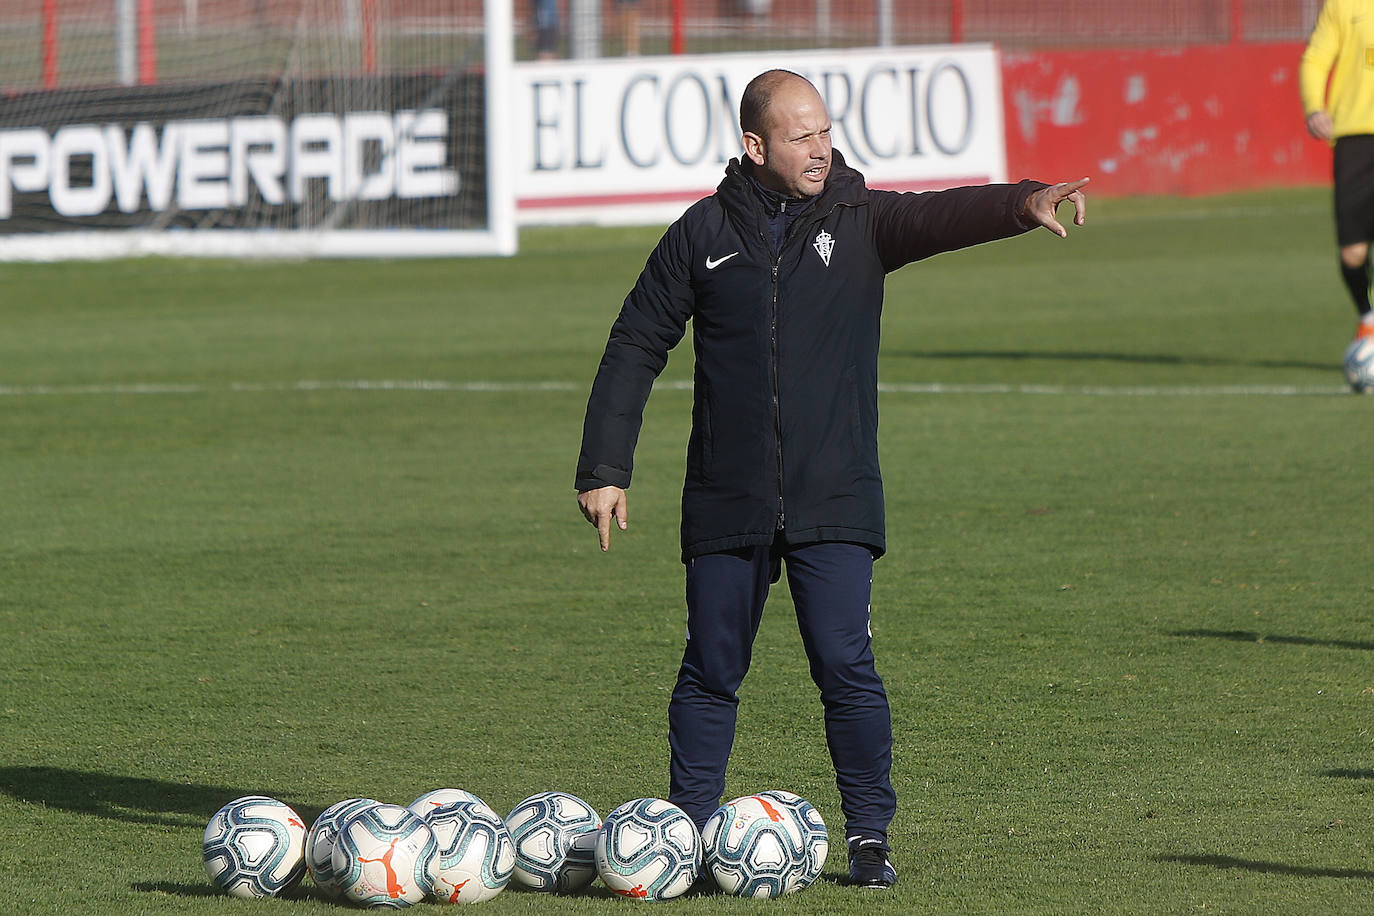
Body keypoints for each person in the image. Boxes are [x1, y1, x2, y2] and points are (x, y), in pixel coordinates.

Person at [575, 69, 1087, 889]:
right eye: (800, 136)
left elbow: (939, 213)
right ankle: (690, 838)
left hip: (835, 494)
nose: (821, 148)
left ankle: (870, 839)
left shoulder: (863, 221)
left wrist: (1021, 203)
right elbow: (637, 339)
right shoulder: (700, 232)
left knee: (846, 667)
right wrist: (604, 467)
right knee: (710, 668)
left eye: (825, 131)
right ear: (755, 146)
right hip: (727, 494)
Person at [1301, 0, 1374, 341]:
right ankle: (1368, 317)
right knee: (1353, 252)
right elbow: (1316, 58)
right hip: (1354, 139)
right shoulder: (1343, 4)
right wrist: (1314, 107)